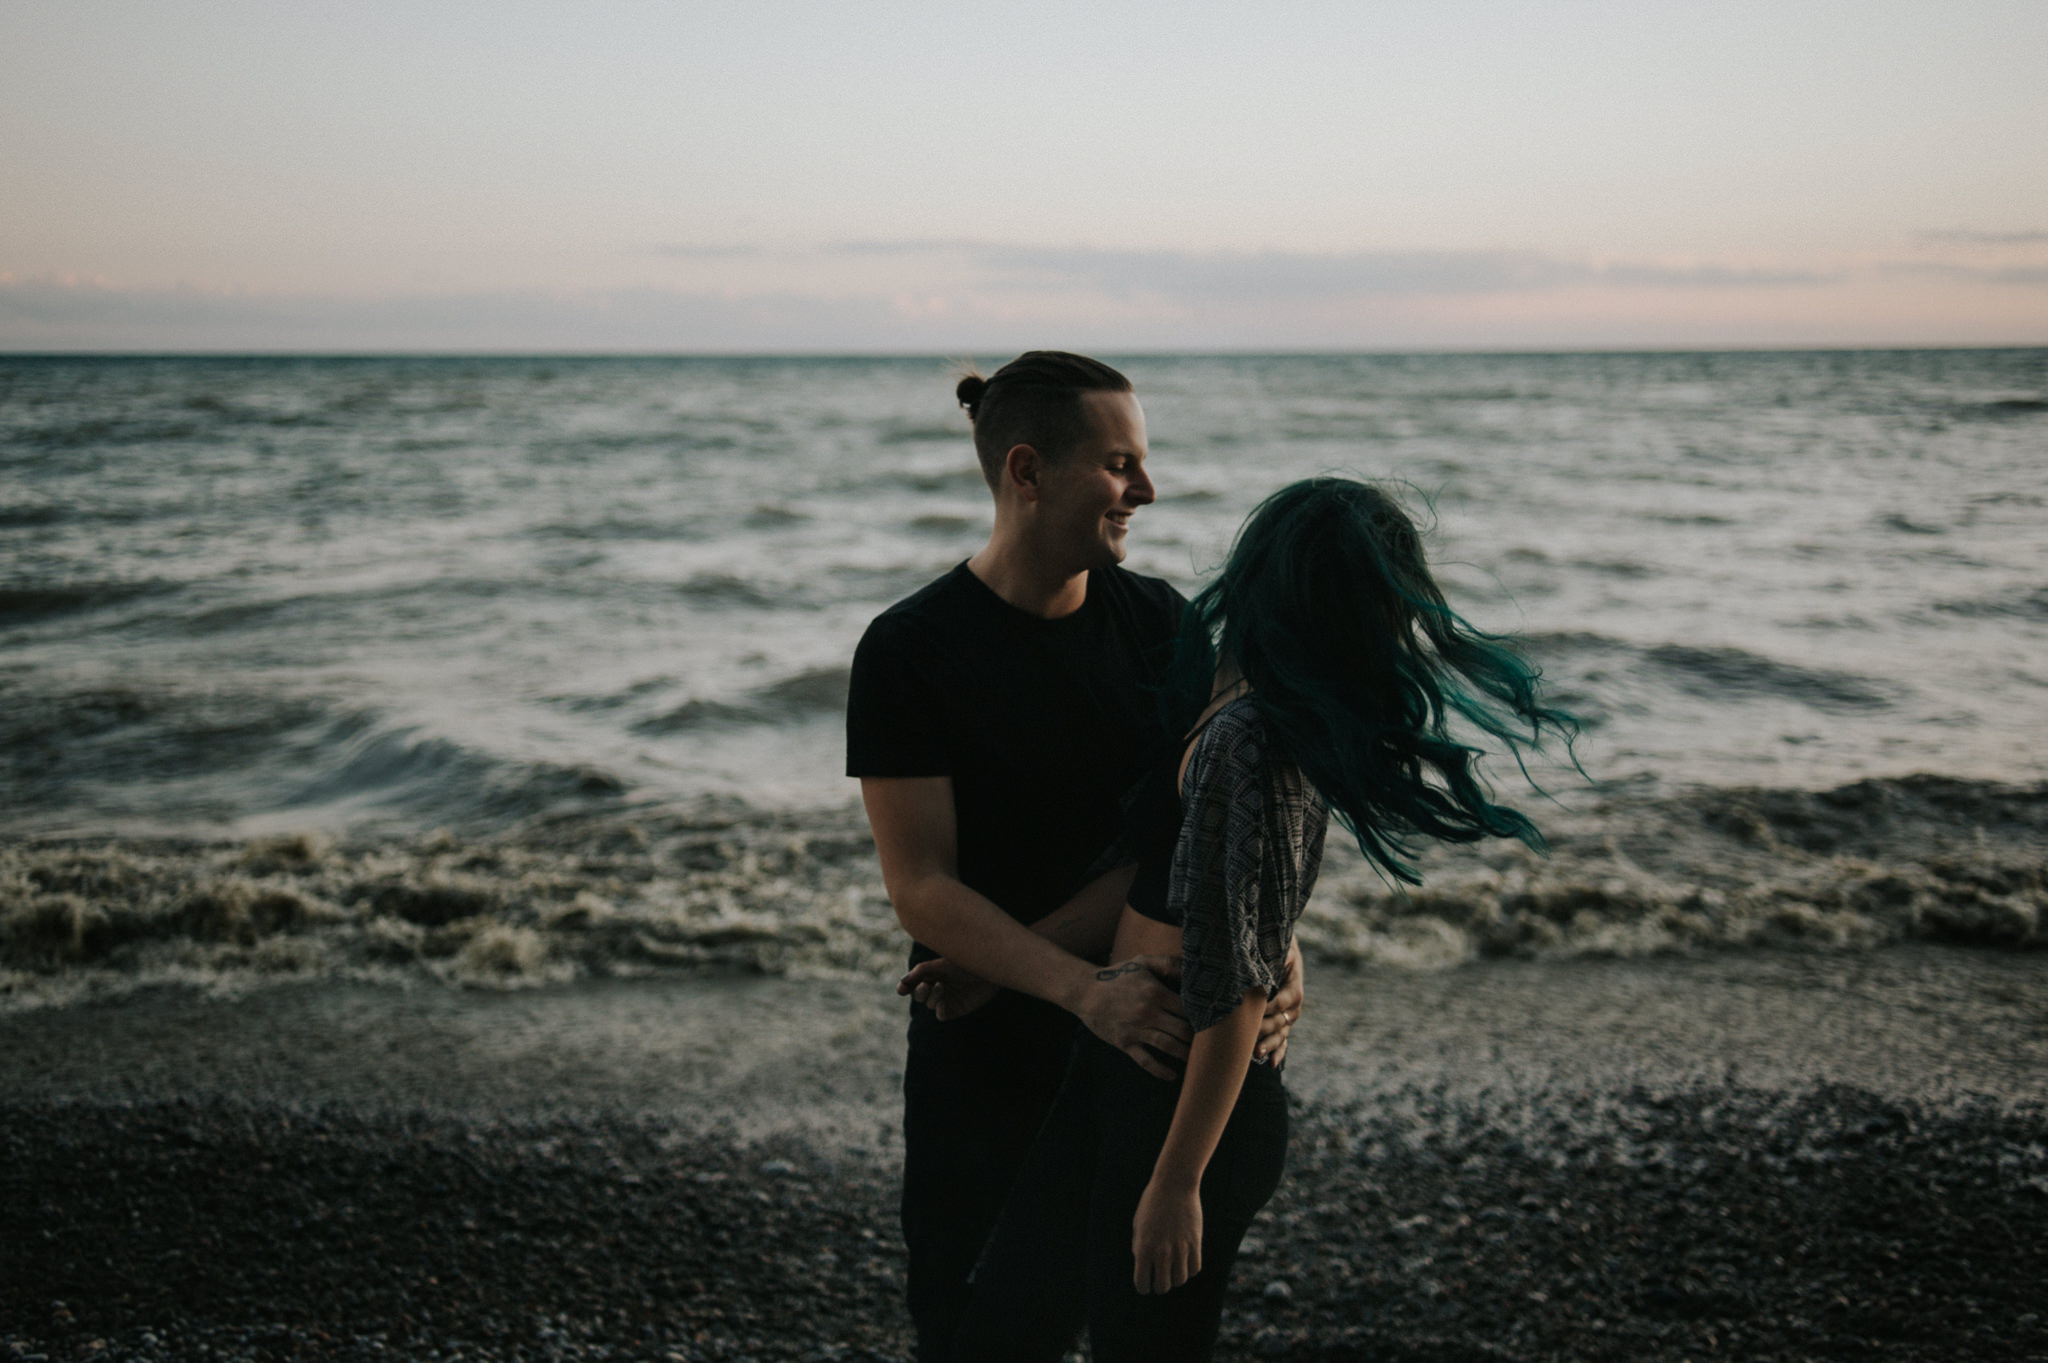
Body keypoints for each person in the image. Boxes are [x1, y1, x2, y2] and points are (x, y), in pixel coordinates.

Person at [940, 476, 1579, 1361]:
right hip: (1124, 1058)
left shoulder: (1256, 739)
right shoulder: (1227, 696)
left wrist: (1177, 1180)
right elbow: (1156, 881)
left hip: (1186, 1095)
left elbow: (1237, 978)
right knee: (1004, 1323)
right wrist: (1003, 961)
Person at [845, 352, 1305, 1363]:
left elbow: (1212, 832)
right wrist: (1075, 986)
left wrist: (1273, 952)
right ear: (1026, 471)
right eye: (1119, 463)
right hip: (990, 1045)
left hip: (1136, 1044)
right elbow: (919, 885)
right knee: (970, 1327)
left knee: (1137, 1321)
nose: (1145, 489)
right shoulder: (909, 648)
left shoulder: (1161, 624)